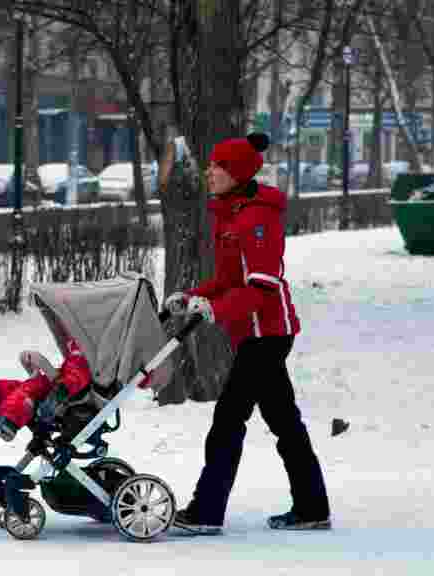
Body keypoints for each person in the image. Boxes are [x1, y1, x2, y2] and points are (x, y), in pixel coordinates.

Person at [164, 132, 331, 535]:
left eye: (217, 166)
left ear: (237, 172)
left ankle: (206, 511)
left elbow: (263, 285)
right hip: (253, 334)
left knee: (228, 418)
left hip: (268, 332)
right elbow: (226, 279)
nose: (209, 172)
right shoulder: (230, 213)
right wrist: (191, 296)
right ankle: (312, 507)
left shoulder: (257, 217)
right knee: (284, 421)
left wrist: (216, 310)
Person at [0, 320, 91, 442]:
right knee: (22, 388)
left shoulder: (87, 348)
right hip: (64, 382)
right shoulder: (80, 341)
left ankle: (9, 420)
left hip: (70, 391)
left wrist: (62, 389)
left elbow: (78, 375)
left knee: (30, 389)